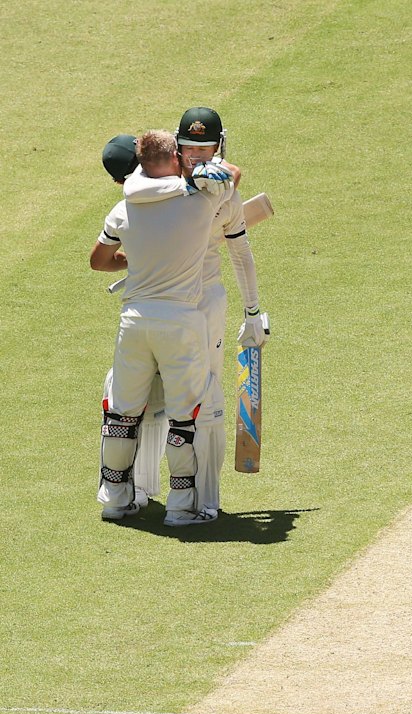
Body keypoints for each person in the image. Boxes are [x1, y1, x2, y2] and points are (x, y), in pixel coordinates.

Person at [106, 107, 269, 512]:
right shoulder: (184, 187)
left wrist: (252, 312)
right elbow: (135, 190)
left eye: (206, 148)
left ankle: (196, 499)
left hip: (192, 302)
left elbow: (240, 252)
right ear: (177, 151)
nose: (199, 156)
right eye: (191, 149)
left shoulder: (190, 187)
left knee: (192, 399)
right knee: (164, 400)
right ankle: (155, 495)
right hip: (172, 305)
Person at [91, 129, 234, 525]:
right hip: (181, 322)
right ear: (175, 158)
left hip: (134, 321)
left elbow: (99, 261)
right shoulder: (201, 202)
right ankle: (180, 507)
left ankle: (116, 500)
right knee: (184, 415)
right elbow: (233, 176)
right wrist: (204, 167)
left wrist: (138, 263)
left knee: (123, 412)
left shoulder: (122, 210)